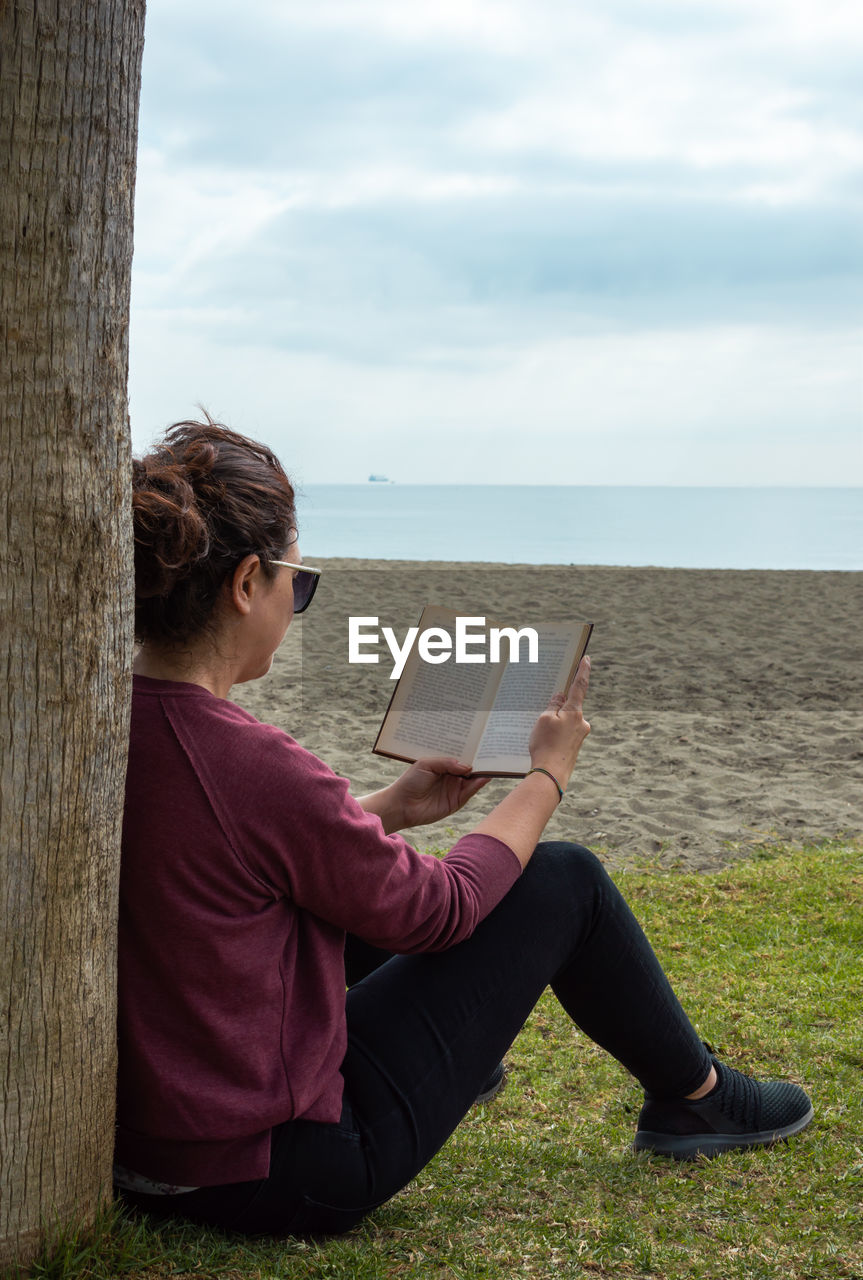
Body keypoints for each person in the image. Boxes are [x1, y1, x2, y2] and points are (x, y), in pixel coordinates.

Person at [116, 417, 813, 1237]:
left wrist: (399, 808)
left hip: (149, 1153)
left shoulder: (108, 729)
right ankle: (699, 1101)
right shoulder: (248, 761)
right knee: (565, 881)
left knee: (364, 889)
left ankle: (475, 1063)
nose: (294, 603)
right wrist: (549, 773)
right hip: (282, 1168)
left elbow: (227, 861)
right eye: (296, 583)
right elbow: (438, 911)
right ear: (244, 586)